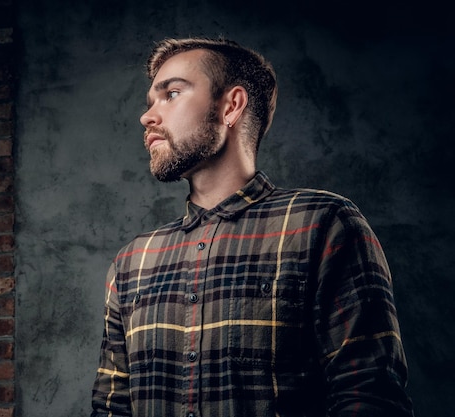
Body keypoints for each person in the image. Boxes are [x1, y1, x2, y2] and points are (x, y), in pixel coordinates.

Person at [90, 37, 414, 417]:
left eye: (172, 94)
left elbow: (369, 397)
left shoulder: (323, 225)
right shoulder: (132, 262)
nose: (148, 117)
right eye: (150, 103)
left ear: (232, 106)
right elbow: (111, 409)